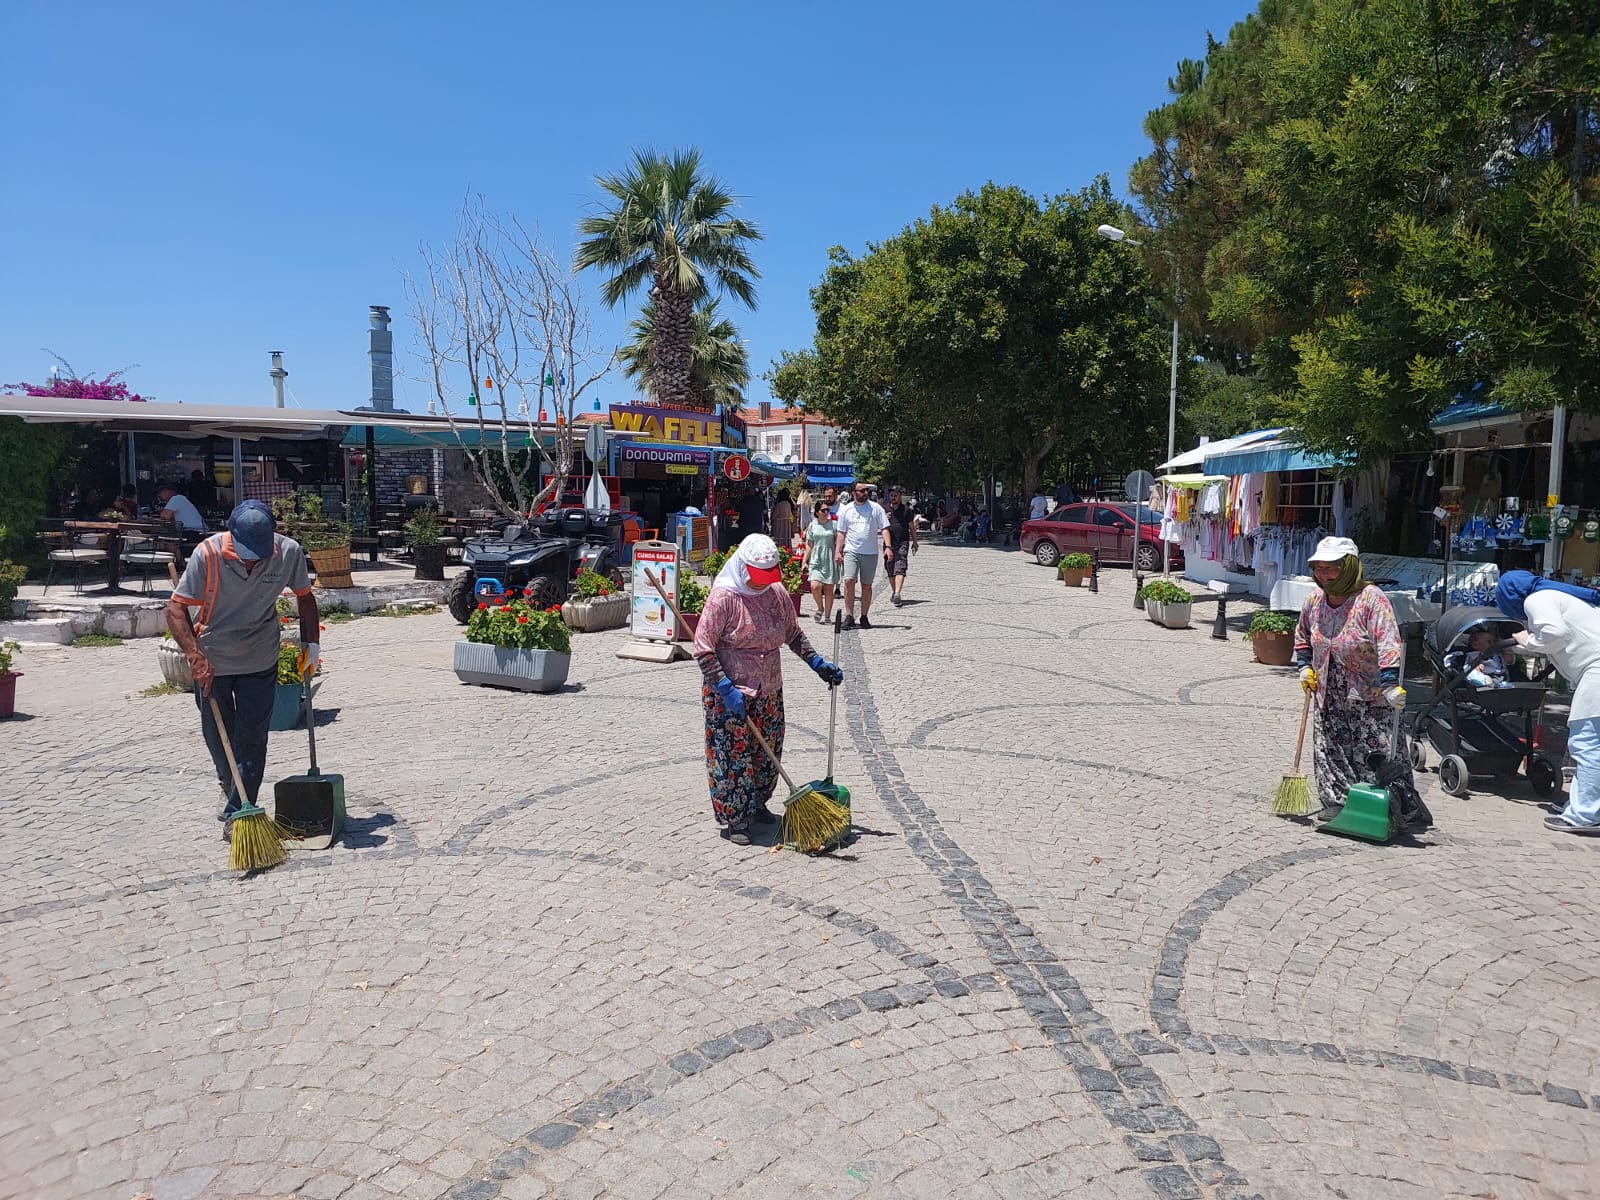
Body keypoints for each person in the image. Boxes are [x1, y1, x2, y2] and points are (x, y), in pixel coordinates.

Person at [165, 501, 320, 836]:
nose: (253, 559)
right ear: (230, 536)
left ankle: (239, 812)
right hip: (213, 658)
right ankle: (228, 780)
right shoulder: (207, 555)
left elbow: (306, 598)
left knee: (252, 736)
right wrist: (194, 655)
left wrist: (312, 646)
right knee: (217, 734)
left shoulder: (287, 552)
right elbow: (175, 610)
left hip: (260, 656)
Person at [691, 534, 843, 845]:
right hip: (730, 693)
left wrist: (817, 663)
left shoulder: (775, 593)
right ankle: (735, 819)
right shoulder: (724, 597)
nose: (762, 583)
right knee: (732, 757)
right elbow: (703, 649)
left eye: (767, 577)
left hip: (769, 688)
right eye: (757, 578)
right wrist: (724, 686)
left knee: (767, 750)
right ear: (744, 568)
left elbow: (793, 633)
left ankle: (757, 804)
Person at [1293, 536, 1415, 818]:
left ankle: (1390, 804)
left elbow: (1387, 641)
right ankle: (1337, 800)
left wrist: (1390, 683)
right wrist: (1304, 667)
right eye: (1318, 568)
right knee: (1331, 746)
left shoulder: (1371, 599)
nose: (1323, 575)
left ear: (1348, 567)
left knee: (1374, 748)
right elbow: (1303, 636)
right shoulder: (1314, 601)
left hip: (1368, 690)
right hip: (1328, 686)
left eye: (1330, 568)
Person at [1495, 570, 1600, 834]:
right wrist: (1524, 645)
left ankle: (1585, 815)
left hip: (1596, 670)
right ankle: (1586, 806)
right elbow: (1558, 640)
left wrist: (1527, 639)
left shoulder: (1537, 599)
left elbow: (1553, 633)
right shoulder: (1558, 596)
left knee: (1585, 744)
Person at [834, 482, 891, 630]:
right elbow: (841, 533)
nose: (865, 493)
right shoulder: (846, 510)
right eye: (862, 490)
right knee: (849, 580)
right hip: (851, 550)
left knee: (866, 586)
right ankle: (849, 615)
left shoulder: (875, 508)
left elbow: (884, 528)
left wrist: (888, 547)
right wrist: (838, 551)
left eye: (866, 490)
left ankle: (864, 616)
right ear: (854, 493)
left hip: (870, 552)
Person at [804, 500, 839, 624]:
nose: (826, 512)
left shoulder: (834, 525)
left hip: (829, 558)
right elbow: (809, 544)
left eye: (827, 510)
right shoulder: (813, 525)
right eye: (823, 510)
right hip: (816, 558)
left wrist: (839, 554)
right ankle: (820, 607)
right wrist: (804, 561)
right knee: (815, 586)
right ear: (817, 512)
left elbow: (839, 542)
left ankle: (828, 616)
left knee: (829, 589)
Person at [883, 485, 918, 607]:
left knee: (900, 567)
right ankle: (894, 591)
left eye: (895, 495)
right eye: (891, 495)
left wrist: (915, 541)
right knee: (890, 569)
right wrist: (884, 519)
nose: (893, 498)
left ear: (900, 496)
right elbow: (878, 526)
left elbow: (911, 527)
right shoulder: (885, 509)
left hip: (902, 542)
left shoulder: (906, 510)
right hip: (888, 544)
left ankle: (897, 593)